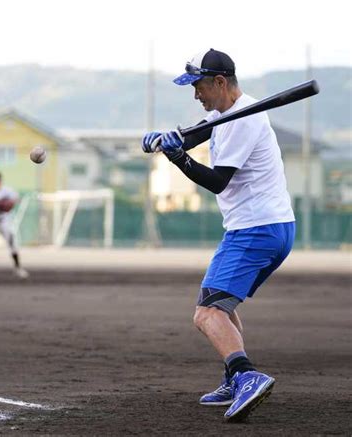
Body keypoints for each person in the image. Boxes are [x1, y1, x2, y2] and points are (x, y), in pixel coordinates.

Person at [142, 49, 295, 422]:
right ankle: (233, 376)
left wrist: (179, 159)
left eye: (198, 86)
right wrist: (168, 139)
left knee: (206, 313)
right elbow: (196, 133)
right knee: (220, 306)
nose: (196, 94)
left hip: (255, 229)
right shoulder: (225, 113)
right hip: (267, 227)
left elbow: (218, 181)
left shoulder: (245, 121)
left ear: (220, 82)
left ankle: (246, 374)